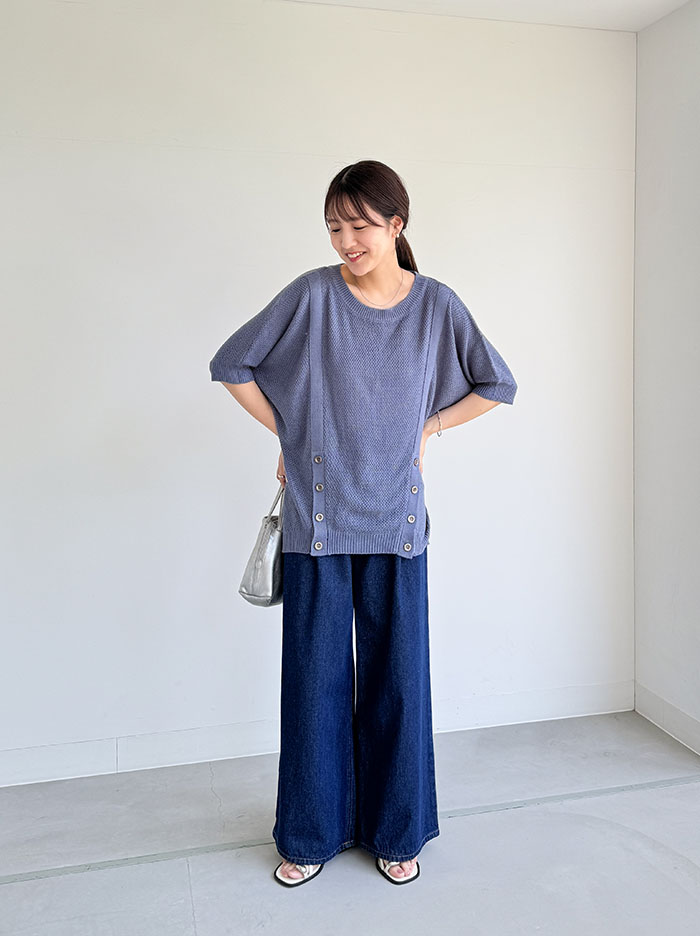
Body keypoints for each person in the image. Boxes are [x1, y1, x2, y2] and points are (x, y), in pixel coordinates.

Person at [209, 160, 518, 887]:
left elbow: (496, 383)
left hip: (397, 520)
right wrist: (290, 435)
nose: (346, 241)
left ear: (396, 225)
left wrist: (429, 427)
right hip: (318, 519)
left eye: (360, 226)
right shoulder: (313, 294)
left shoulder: (436, 305)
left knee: (397, 683)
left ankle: (396, 829)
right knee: (314, 683)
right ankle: (311, 834)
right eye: (334, 227)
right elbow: (232, 364)